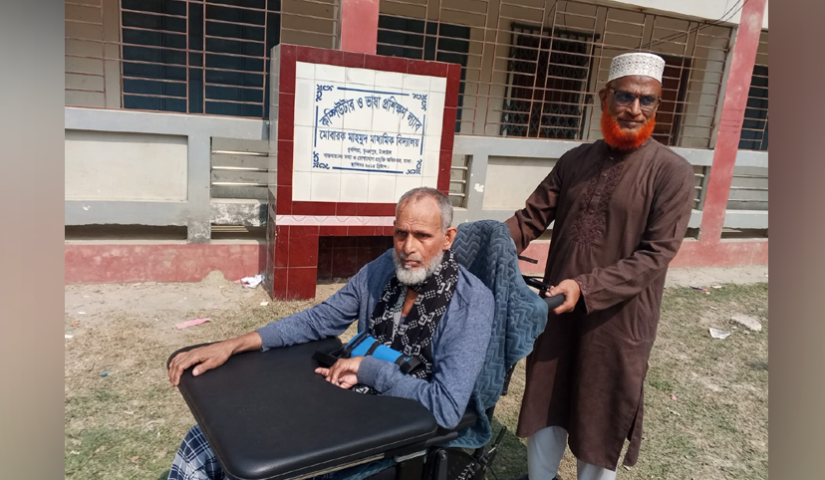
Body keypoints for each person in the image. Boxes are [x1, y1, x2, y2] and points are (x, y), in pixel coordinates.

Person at [166, 187, 495, 480]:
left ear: (447, 238)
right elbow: (320, 319)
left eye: (422, 236)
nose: (408, 247)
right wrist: (235, 344)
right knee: (207, 442)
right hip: (341, 402)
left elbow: (447, 407)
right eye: (400, 234)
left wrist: (368, 369)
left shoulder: (469, 304)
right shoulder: (386, 268)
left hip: (393, 432)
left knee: (262, 464)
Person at [505, 52, 695, 480]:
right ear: (603, 97)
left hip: (619, 320)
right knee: (547, 397)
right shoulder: (575, 161)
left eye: (647, 100)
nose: (635, 109)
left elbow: (656, 254)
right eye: (625, 96)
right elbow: (530, 218)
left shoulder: (672, 173)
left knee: (600, 411)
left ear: (657, 105)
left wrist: (585, 288)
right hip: (557, 308)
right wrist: (477, 243)